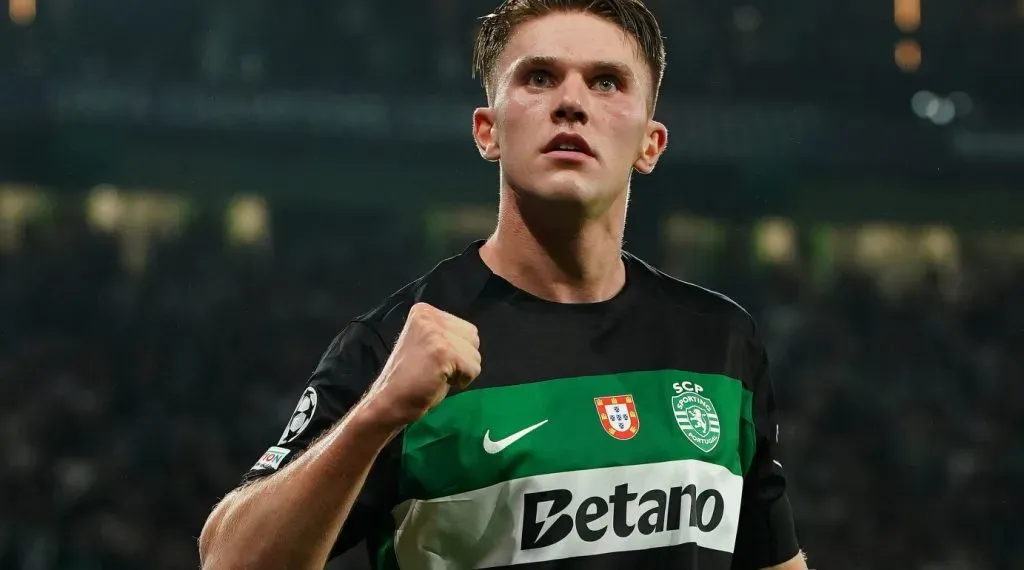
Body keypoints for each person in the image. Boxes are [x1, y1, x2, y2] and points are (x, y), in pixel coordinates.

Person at [198, 1, 808, 568]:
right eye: (539, 77)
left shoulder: (722, 343)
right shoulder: (396, 348)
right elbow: (224, 559)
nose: (572, 102)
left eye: (606, 82)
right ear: (487, 131)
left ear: (650, 144)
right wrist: (376, 415)